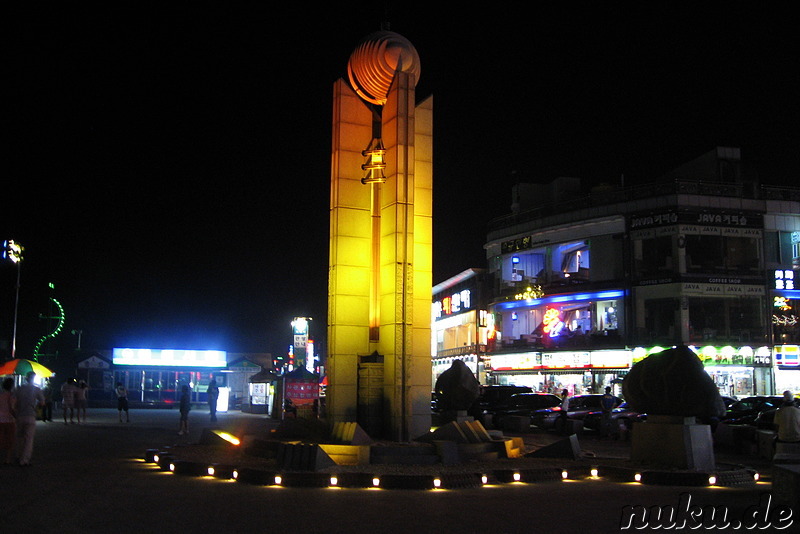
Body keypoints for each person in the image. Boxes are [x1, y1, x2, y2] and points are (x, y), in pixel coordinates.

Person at [13, 371, 45, 466]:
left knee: (19, 438)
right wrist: (36, 407)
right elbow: (42, 402)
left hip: (19, 415)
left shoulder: (19, 389)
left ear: (26, 378)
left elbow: (13, 402)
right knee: (29, 439)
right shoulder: (36, 389)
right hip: (31, 415)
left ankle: (18, 456)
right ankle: (25, 460)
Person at [0, 378, 16, 465]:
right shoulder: (11, 396)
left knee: (1, 438)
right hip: (9, 420)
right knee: (10, 440)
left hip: (0, 419)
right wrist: (16, 416)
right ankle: (7, 459)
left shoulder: (0, 395)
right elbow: (12, 408)